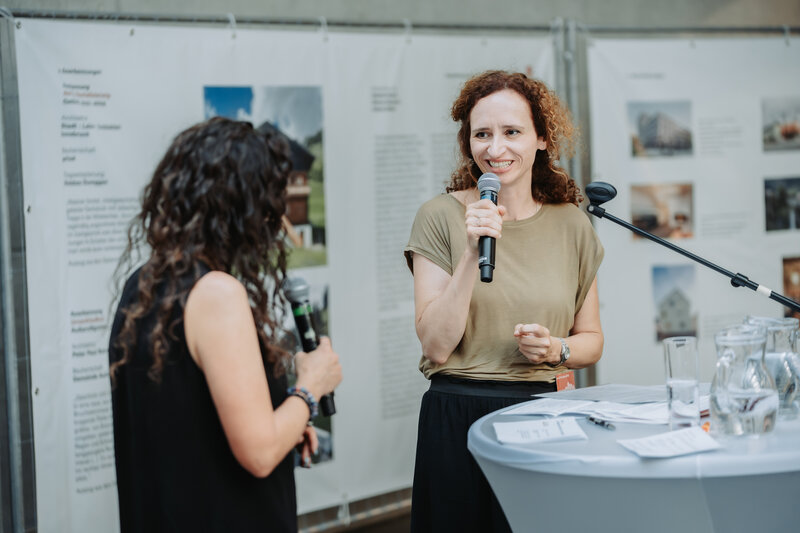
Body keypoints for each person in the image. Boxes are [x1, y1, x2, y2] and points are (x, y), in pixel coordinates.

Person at [108, 117, 342, 533]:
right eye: (272, 200)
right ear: (244, 206)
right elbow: (258, 451)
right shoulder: (217, 293)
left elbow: (187, 418)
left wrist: (287, 421)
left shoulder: (142, 284)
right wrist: (310, 388)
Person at [404, 70, 604, 532]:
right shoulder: (439, 217)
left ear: (541, 138)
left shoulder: (572, 224)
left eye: (511, 132)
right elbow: (435, 345)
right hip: (458, 417)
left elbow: (591, 340)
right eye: (482, 134)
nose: (495, 150)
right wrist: (473, 252)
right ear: (467, 142)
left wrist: (558, 350)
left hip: (545, 414)